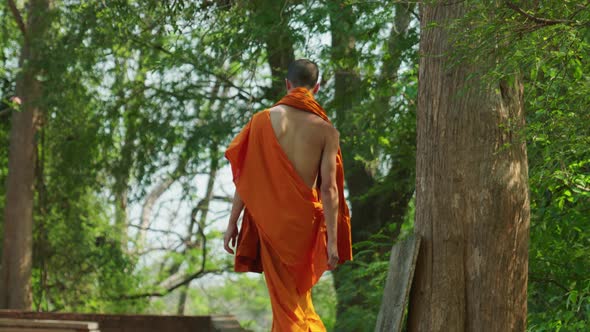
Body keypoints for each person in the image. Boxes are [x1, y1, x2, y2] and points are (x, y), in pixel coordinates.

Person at [223, 59, 352, 331]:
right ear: (316, 88)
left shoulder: (261, 121)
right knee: (296, 302)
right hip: (306, 226)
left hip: (271, 224)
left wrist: (232, 222)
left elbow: (247, 178)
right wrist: (332, 242)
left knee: (289, 306)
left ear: (287, 84)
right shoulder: (326, 131)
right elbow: (329, 190)